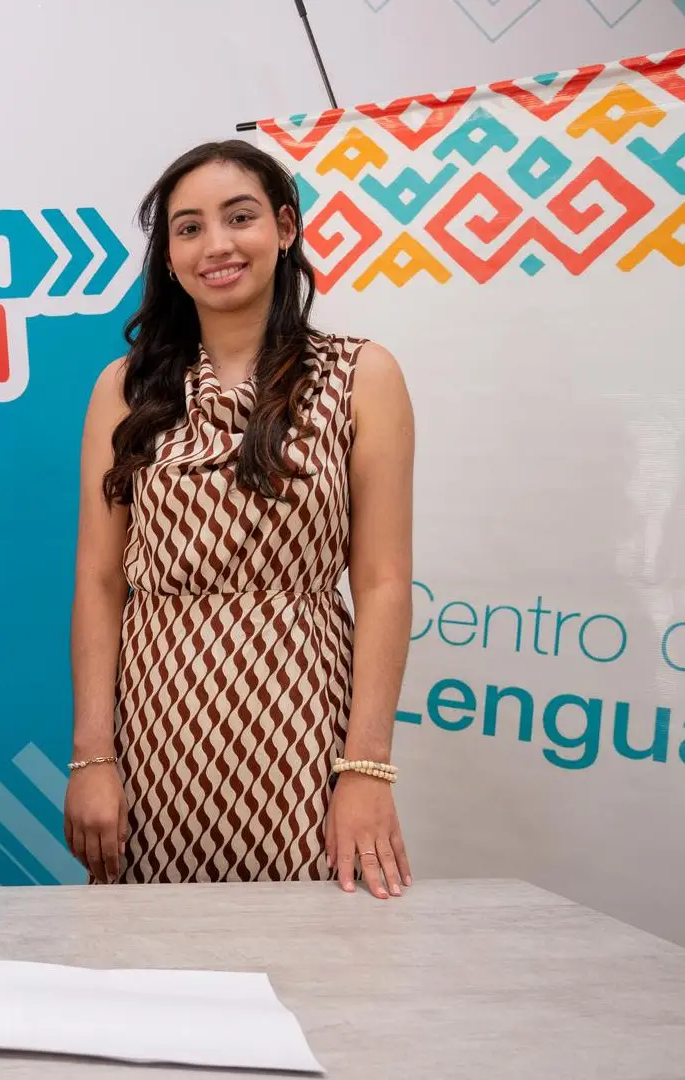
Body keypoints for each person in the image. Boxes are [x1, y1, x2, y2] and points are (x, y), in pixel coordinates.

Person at [64, 140, 415, 898]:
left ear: (285, 229)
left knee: (318, 961)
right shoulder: (124, 389)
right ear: (167, 257)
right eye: (188, 228)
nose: (216, 244)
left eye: (240, 217)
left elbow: (384, 582)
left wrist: (366, 768)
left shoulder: (363, 376)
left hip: (304, 726)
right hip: (157, 727)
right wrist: (94, 758)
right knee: (153, 966)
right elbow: (97, 582)